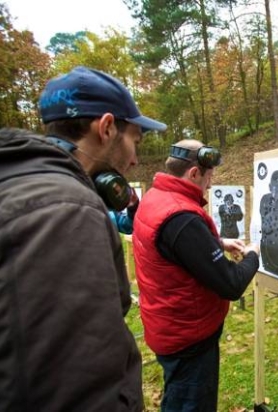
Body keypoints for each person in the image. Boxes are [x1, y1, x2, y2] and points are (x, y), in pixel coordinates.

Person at [0, 66, 166, 411]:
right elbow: (74, 387)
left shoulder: (19, 183)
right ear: (106, 128)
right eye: (134, 139)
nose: (135, 158)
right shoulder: (64, 209)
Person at [132, 139, 259, 411]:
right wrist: (253, 255)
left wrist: (217, 243)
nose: (211, 185)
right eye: (209, 177)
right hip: (189, 339)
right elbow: (231, 284)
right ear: (193, 174)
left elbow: (173, 247)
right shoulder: (182, 217)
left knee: (177, 398)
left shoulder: (156, 197)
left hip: (168, 326)